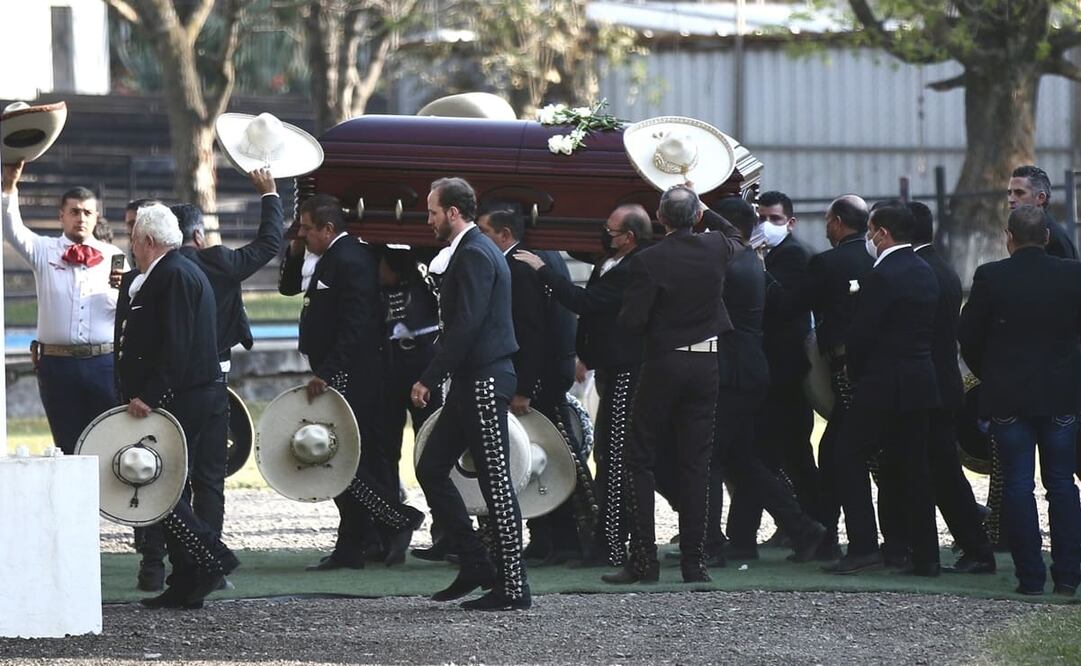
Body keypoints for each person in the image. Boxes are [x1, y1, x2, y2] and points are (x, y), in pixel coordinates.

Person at [132, 168, 283, 591]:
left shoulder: (161, 273)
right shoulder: (216, 262)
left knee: (168, 476)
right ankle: (207, 560)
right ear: (196, 235)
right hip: (213, 381)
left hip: (174, 386)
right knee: (209, 478)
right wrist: (269, 195)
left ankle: (166, 563)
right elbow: (269, 244)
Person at [606, 184, 743, 584]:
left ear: (659, 218)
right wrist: (704, 208)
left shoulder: (649, 260)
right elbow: (737, 236)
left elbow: (631, 321)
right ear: (696, 216)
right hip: (707, 363)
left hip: (664, 361)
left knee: (639, 458)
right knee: (696, 463)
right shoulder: (715, 247)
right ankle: (694, 562)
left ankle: (644, 560)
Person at [280, 194, 423, 571]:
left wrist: (329, 371)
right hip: (343, 370)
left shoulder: (351, 259)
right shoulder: (333, 257)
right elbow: (289, 287)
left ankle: (392, 520)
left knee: (342, 458)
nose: (302, 234)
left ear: (328, 228)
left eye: (308, 228)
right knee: (347, 457)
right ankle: (362, 539)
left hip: (355, 374)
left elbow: (357, 323)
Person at [412, 177, 531, 611]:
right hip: (472, 379)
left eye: (432, 212)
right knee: (431, 468)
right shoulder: (472, 250)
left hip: (483, 378)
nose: (429, 220)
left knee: (496, 482)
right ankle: (476, 562)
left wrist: (429, 377)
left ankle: (514, 587)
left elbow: (466, 324)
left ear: (453, 212)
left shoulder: (476, 253)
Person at [115, 203, 238, 610]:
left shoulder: (173, 275)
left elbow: (176, 344)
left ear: (148, 241)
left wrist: (151, 395)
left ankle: (209, 557)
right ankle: (186, 580)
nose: (132, 248)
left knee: (161, 485)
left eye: (134, 240)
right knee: (171, 485)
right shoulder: (175, 272)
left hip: (184, 397)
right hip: (189, 394)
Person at [514, 204, 651, 567]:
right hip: (609, 369)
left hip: (626, 373)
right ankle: (603, 538)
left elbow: (586, 302)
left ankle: (611, 544)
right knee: (605, 454)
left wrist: (543, 269)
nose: (605, 234)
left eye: (611, 230)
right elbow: (582, 248)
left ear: (630, 238)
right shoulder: (612, 260)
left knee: (615, 458)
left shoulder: (634, 267)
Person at [958, 204, 1081, 597]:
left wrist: (991, 373)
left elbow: (968, 335)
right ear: (1047, 236)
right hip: (1060, 394)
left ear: (1008, 238)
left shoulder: (991, 276)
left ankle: (1030, 577)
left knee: (1017, 484)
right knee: (1062, 484)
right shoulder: (1073, 274)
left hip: (1008, 394)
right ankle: (1068, 575)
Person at [706, 196, 826, 566]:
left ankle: (714, 542)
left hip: (761, 373)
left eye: (773, 218)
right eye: (761, 218)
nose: (765, 225)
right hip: (754, 370)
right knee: (744, 459)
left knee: (725, 456)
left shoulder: (764, 259)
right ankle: (788, 531)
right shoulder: (748, 258)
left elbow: (787, 305)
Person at [826, 203, 941, 576]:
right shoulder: (925, 270)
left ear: (883, 233)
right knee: (912, 467)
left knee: (847, 454)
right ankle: (923, 555)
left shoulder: (880, 275)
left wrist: (855, 372)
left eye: (872, 230)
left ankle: (863, 545)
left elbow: (861, 335)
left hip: (882, 382)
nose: (869, 238)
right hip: (919, 380)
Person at [477, 204, 595, 565]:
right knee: (545, 453)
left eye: (485, 232)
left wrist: (524, 388)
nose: (480, 239)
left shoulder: (520, 267)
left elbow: (530, 333)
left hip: (538, 376)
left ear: (505, 234)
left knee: (550, 456)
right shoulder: (540, 256)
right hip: (548, 371)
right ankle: (550, 537)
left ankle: (568, 538)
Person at [2, 159, 127, 455]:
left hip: (103, 362)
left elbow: (128, 307)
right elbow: (12, 229)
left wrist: (125, 289)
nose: (80, 218)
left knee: (108, 441)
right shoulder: (44, 250)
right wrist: (9, 187)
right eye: (74, 212)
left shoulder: (113, 255)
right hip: (58, 364)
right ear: (61, 216)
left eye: (87, 212)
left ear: (96, 217)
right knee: (66, 442)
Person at [908, 201, 995, 575]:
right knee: (943, 472)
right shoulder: (941, 268)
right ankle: (970, 546)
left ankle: (962, 549)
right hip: (944, 383)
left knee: (937, 473)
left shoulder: (917, 271)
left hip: (926, 387)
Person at [797, 194, 875, 561]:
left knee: (840, 454)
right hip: (875, 371)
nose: (826, 228)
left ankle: (840, 539)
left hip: (845, 372)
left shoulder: (826, 263)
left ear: (839, 222)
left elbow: (795, 304)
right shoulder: (877, 260)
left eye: (828, 221)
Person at [1008, 165, 1078, 260]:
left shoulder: (1055, 239)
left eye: (1019, 193)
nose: (1011, 199)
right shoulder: (1028, 231)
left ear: (1041, 198)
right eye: (1010, 193)